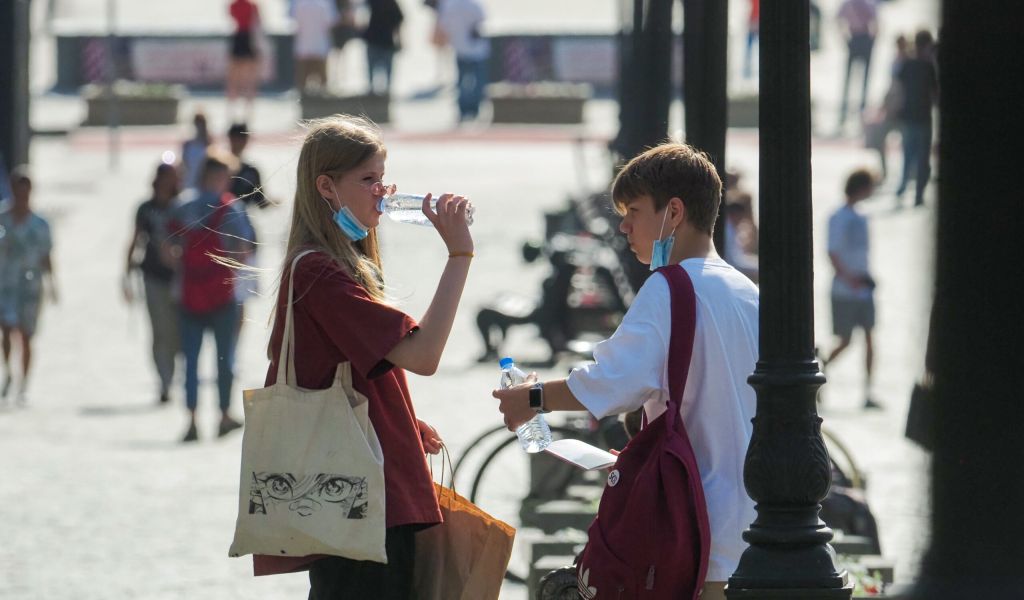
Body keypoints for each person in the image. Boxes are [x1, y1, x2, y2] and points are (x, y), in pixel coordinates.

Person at [494, 143, 759, 600]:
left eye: (634, 210)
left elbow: (612, 381)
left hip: (695, 523)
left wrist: (532, 398)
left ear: (673, 212)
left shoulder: (672, 286)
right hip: (756, 524)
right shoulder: (748, 292)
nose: (624, 225)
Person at [250, 115, 473, 598]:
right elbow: (424, 354)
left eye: (382, 177)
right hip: (361, 502)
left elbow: (352, 370)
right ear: (326, 187)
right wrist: (459, 256)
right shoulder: (319, 272)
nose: (383, 192)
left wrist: (403, 424)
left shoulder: (338, 264)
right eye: (368, 179)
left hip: (364, 495)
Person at [165, 153, 254, 442]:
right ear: (222, 176)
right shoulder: (232, 209)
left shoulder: (183, 207)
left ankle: (191, 420)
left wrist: (184, 268)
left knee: (190, 361)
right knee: (224, 358)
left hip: (189, 295)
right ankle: (224, 415)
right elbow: (244, 251)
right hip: (222, 296)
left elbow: (167, 248)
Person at [124, 162, 181, 405]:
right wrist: (125, 274)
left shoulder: (182, 207)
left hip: (181, 276)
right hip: (153, 277)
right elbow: (135, 239)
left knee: (178, 331)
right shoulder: (146, 209)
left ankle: (175, 372)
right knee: (159, 330)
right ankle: (164, 380)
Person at [822, 168, 880, 409]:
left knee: (869, 338)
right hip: (845, 289)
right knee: (845, 340)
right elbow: (832, 252)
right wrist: (849, 278)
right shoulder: (839, 217)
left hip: (863, 288)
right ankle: (821, 367)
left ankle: (868, 391)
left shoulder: (862, 216)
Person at [0, 166, 57, 406]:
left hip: (31, 285)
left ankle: (24, 382)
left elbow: (47, 256)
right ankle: (9, 372)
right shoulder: (2, 219)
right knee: (6, 329)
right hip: (6, 283)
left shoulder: (40, 223)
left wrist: (54, 284)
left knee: (26, 335)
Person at [227, 123, 269, 335]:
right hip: (222, 236)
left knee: (240, 297)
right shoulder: (218, 166)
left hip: (245, 236)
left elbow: (260, 201)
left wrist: (272, 202)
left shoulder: (251, 171)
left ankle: (232, 348)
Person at [894, 30, 938, 207]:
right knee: (922, 157)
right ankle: (918, 194)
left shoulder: (908, 63)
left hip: (908, 115)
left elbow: (898, 87)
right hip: (923, 117)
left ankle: (903, 186)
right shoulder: (928, 66)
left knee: (907, 154)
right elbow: (935, 93)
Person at [437, 0, 490, 122]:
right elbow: (483, 20)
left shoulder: (449, 5)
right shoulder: (474, 4)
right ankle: (473, 109)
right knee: (477, 81)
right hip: (476, 49)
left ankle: (463, 109)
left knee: (461, 81)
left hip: (459, 48)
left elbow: (444, 25)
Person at [836, 0, 878, 129]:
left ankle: (862, 111)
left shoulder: (867, 4)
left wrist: (872, 40)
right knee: (849, 78)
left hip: (864, 38)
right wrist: (844, 37)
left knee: (864, 79)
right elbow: (838, 19)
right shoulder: (849, 4)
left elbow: (875, 22)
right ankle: (844, 111)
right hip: (855, 37)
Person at [292, 0, 340, 92]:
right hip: (320, 47)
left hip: (303, 48)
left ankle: (305, 103)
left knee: (302, 82)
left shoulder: (299, 3)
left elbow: (295, 21)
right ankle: (320, 104)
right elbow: (331, 22)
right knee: (322, 83)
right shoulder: (325, 4)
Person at [227, 0, 263, 122]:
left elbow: (233, 19)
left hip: (238, 39)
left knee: (234, 80)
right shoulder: (253, 5)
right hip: (249, 40)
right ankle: (248, 113)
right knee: (250, 80)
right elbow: (258, 24)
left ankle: (232, 112)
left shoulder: (233, 5)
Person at [364, 0, 403, 97]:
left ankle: (376, 89)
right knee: (383, 67)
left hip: (377, 39)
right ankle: (381, 89)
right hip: (383, 39)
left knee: (375, 67)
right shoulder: (391, 3)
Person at [181, 112, 212, 190]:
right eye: (198, 123)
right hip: (188, 182)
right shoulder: (188, 145)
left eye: (201, 123)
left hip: (204, 186)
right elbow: (184, 165)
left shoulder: (210, 145)